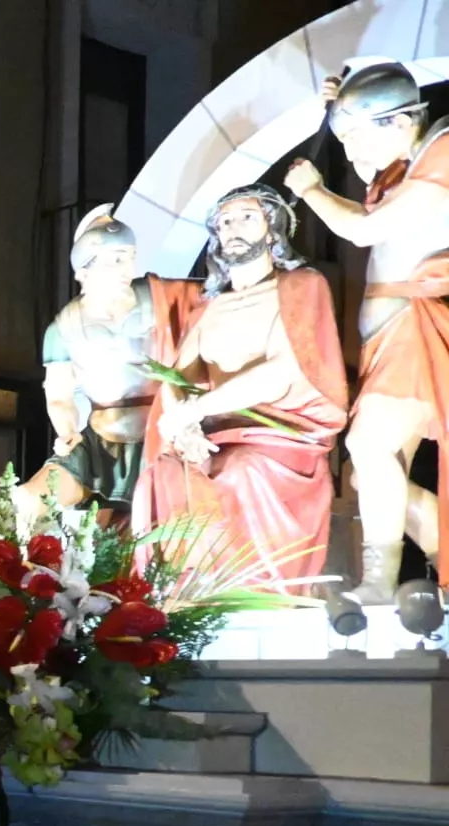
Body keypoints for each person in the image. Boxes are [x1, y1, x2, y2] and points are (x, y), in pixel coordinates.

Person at [131, 184, 349, 590]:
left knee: (241, 470)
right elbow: (178, 379)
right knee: (161, 476)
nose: (234, 228)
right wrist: (185, 428)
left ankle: (251, 590)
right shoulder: (210, 307)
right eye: (225, 221)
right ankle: (180, 598)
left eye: (247, 217)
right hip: (216, 434)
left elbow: (284, 371)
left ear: (272, 230)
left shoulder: (301, 287)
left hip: (281, 436)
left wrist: (197, 410)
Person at [286, 62, 449, 599]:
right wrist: (338, 115)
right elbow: (365, 184)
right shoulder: (405, 162)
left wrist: (311, 190)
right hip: (390, 333)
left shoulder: (442, 155)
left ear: (400, 122)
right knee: (368, 475)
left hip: (414, 330)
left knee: (369, 445)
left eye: (360, 135)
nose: (355, 152)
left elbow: (363, 228)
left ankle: (379, 586)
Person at [18, 208, 203, 524]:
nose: (125, 268)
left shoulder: (159, 298)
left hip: (161, 435)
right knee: (30, 501)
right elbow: (59, 395)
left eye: (129, 257)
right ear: (84, 269)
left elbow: (216, 298)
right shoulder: (63, 329)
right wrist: (66, 431)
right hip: (99, 443)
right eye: (115, 259)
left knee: (157, 531)